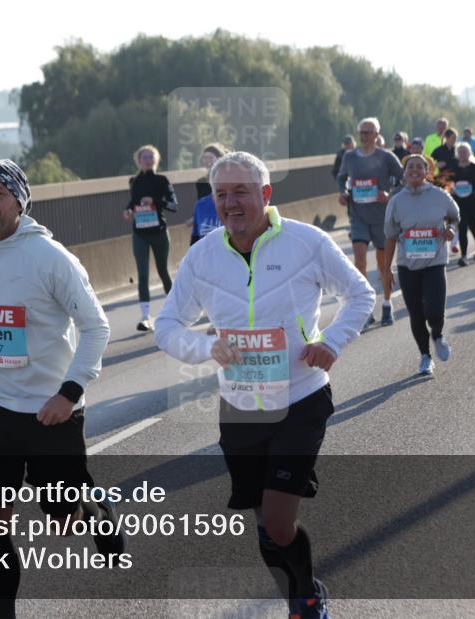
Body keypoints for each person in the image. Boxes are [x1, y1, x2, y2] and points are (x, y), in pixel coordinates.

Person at [155, 151, 374, 618]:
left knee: (277, 519)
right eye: (221, 194)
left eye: (241, 192)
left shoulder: (306, 242)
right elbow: (167, 324)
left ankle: (308, 596)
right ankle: (296, 594)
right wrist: (205, 349)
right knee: (263, 522)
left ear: (265, 194)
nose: (230, 203)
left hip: (301, 397)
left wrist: (332, 342)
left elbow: (360, 294)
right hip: (240, 407)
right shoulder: (203, 255)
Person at [0, 160, 121, 619]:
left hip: (51, 410)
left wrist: (69, 393)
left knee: (62, 525)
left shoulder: (51, 259)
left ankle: (92, 503)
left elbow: (96, 327)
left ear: (19, 200)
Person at [384, 154, 460, 376]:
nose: (414, 170)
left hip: (435, 262)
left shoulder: (439, 196)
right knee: (416, 313)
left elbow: (455, 217)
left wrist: (451, 230)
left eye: (420, 167)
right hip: (408, 266)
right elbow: (389, 237)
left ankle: (437, 334)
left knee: (435, 310)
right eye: (410, 167)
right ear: (404, 172)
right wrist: (386, 270)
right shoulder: (396, 201)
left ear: (427, 171)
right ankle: (425, 356)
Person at [337, 117, 403, 327]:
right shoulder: (350, 157)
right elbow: (342, 178)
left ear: (376, 134)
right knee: (360, 262)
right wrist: (343, 192)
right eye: (361, 133)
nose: (364, 136)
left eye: (368, 132)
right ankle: (366, 309)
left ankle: (386, 304)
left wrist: (390, 195)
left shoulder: (387, 157)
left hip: (381, 218)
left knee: (384, 266)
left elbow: (404, 179)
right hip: (358, 217)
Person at [124, 145, 178, 331]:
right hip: (139, 233)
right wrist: (128, 210)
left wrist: (155, 202)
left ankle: (175, 311)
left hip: (159, 232)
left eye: (151, 156)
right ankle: (145, 316)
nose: (147, 159)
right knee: (143, 274)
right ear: (138, 161)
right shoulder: (134, 181)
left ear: (157, 160)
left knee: (163, 271)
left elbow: (173, 206)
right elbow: (132, 202)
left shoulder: (162, 180)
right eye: (144, 157)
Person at [191, 143, 227, 245]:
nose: (207, 161)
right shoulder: (201, 182)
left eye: (210, 157)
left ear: (219, 159)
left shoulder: (227, 179)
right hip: (207, 225)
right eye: (205, 158)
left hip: (224, 221)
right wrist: (194, 218)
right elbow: (200, 204)